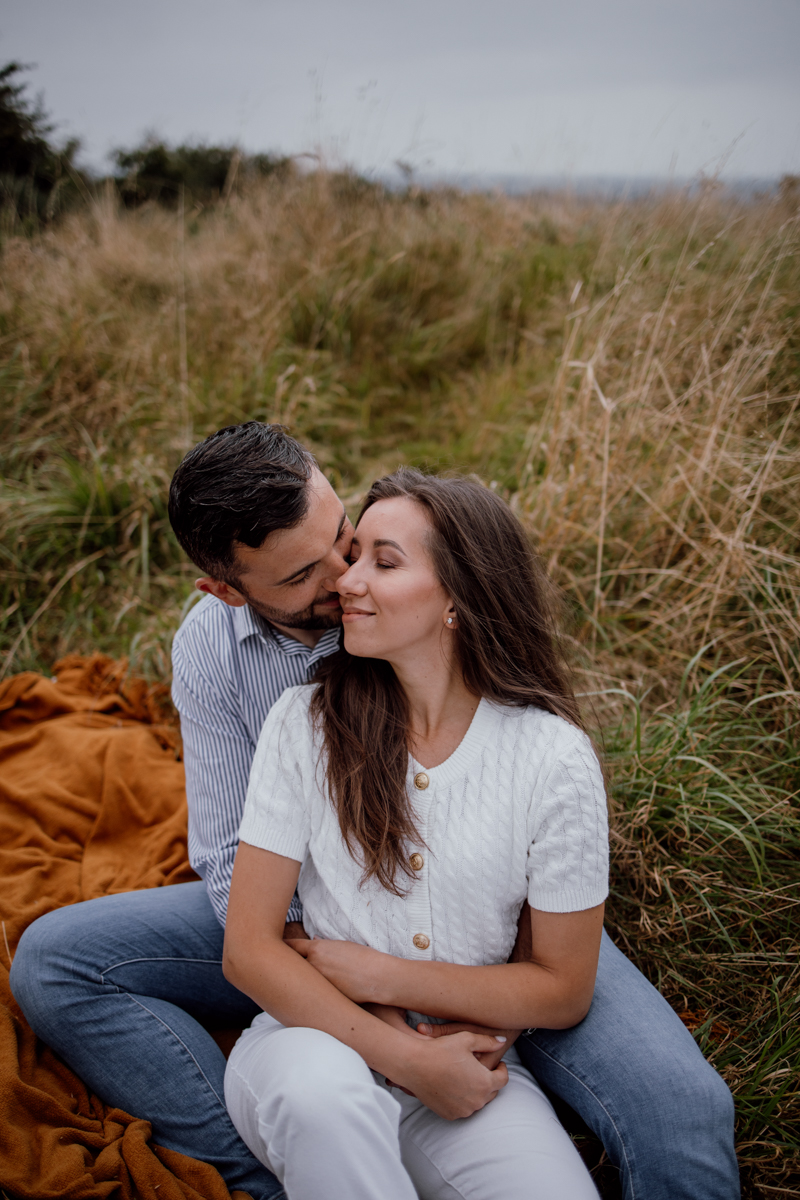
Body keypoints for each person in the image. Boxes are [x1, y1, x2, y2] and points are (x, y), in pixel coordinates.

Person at [10, 423, 739, 1200]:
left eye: (346, 541)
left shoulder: (427, 611)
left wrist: (431, 983)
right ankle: (266, 1177)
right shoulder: (227, 659)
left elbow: (547, 916)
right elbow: (229, 864)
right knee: (57, 962)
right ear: (228, 589)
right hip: (307, 914)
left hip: (481, 913)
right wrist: (358, 1008)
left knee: (680, 1107)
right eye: (301, 577)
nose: (342, 579)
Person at [222, 467, 608, 1199]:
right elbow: (247, 951)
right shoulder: (304, 725)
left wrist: (385, 978)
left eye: (383, 562)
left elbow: (563, 989)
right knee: (325, 1107)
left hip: (469, 1065)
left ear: (459, 597)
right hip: (308, 1044)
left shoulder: (551, 757)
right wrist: (404, 1057)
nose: (347, 583)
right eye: (354, 554)